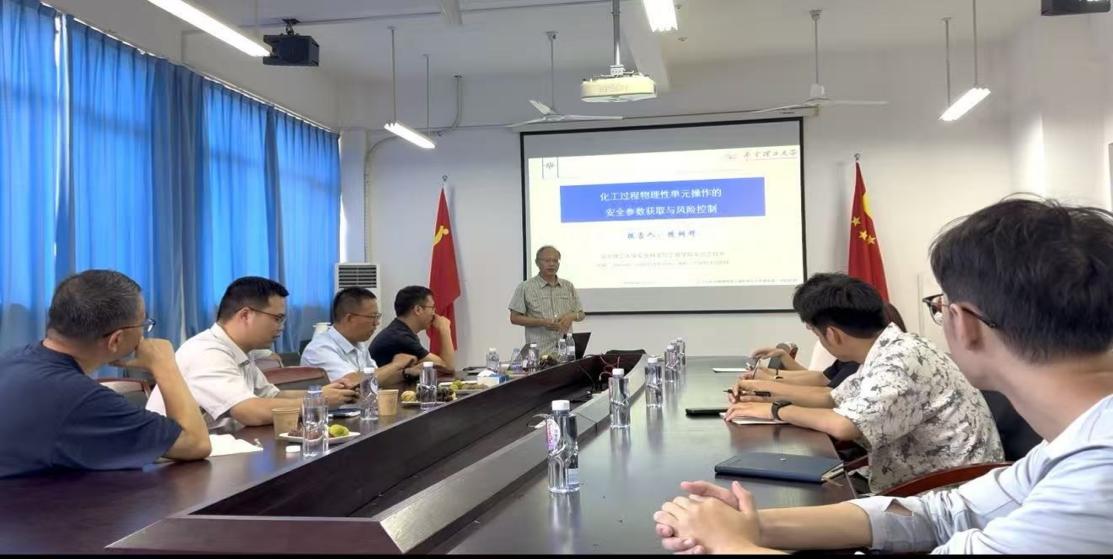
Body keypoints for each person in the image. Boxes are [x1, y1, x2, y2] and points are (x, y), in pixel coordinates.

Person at [654, 198, 1113, 554]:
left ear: (965, 324)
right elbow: (943, 512)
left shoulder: (1097, 480)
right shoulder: (1076, 441)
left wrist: (730, 545)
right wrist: (755, 524)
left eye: (940, 306)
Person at [724, 273, 1002, 493]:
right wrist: (760, 394)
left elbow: (844, 426)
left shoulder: (899, 360)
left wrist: (776, 410)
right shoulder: (892, 348)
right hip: (923, 484)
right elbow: (831, 398)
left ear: (832, 334)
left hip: (946, 496)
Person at [0, 270, 210, 477]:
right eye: (143, 325)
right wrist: (165, 365)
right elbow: (196, 443)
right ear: (116, 340)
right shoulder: (82, 398)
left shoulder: (11, 359)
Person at [147, 277, 356, 427]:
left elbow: (272, 395)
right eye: (277, 318)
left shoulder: (240, 351)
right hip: (171, 462)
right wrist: (319, 401)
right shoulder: (207, 352)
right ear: (245, 315)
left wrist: (323, 394)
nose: (282, 327)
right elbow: (250, 411)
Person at [300, 287, 417, 389]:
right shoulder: (319, 349)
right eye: (372, 317)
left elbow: (376, 380)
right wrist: (395, 365)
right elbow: (351, 383)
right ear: (349, 318)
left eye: (377, 317)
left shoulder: (358, 344)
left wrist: (407, 373)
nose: (376, 323)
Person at [508, 245, 585, 355]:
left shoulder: (568, 286)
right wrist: (542, 322)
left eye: (555, 261)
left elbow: (581, 314)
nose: (551, 264)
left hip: (565, 353)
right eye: (547, 260)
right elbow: (514, 318)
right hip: (539, 354)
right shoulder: (525, 287)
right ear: (537, 263)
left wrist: (571, 316)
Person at [368, 285, 455, 375]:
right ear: (418, 310)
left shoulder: (399, 330)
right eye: (432, 308)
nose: (434, 314)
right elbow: (447, 367)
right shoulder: (400, 337)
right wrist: (445, 329)